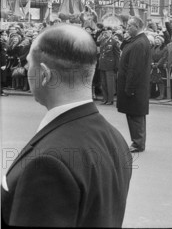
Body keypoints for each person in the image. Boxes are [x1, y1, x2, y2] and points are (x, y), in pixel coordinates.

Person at [1, 24, 132, 227]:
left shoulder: (47, 162)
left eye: (29, 63)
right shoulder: (115, 138)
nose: (27, 70)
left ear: (45, 74)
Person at [117, 16, 152, 153]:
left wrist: (130, 88)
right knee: (133, 114)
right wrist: (125, 40)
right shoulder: (136, 41)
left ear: (137, 27)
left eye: (130, 26)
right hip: (134, 86)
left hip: (134, 87)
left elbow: (134, 68)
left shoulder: (139, 43)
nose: (127, 28)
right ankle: (137, 141)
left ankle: (138, 143)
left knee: (135, 115)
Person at [98, 28, 121, 105]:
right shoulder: (103, 40)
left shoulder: (114, 42)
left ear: (111, 33)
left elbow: (117, 55)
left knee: (110, 83)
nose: (105, 34)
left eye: (107, 32)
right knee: (103, 83)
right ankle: (105, 98)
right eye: (104, 32)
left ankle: (110, 100)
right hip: (102, 64)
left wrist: (117, 66)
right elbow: (101, 52)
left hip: (110, 65)